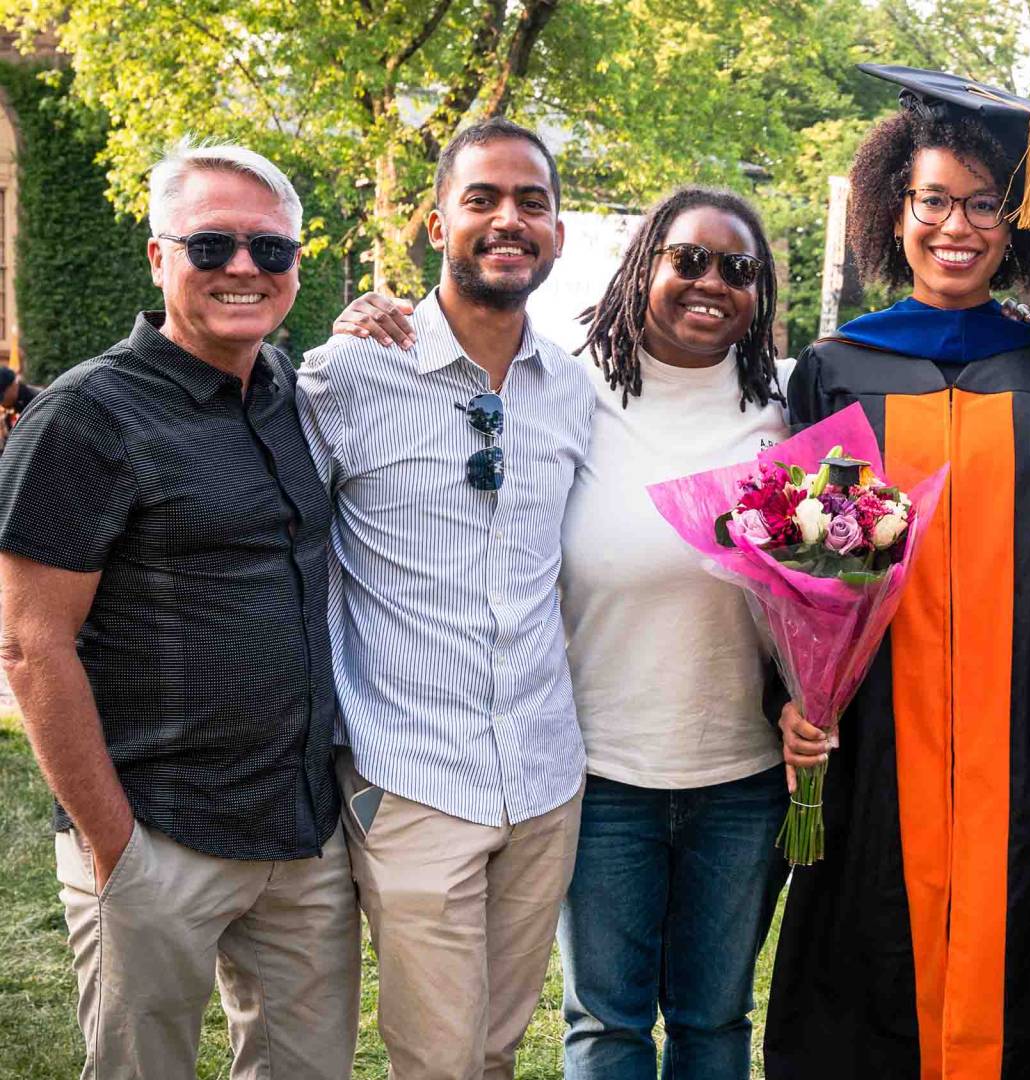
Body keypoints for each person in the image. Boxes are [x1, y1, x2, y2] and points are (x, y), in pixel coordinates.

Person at [334, 184, 796, 1079]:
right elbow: (454, 379)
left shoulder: (787, 404)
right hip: (597, 768)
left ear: (761, 289)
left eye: (737, 268)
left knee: (714, 1017)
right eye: (687, 260)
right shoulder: (564, 382)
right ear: (641, 269)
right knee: (607, 1021)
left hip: (743, 773)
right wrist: (373, 321)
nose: (711, 283)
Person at [768, 64, 1030, 1080]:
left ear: (1017, 221)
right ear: (897, 209)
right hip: (876, 730)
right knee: (865, 943)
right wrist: (801, 700)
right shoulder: (837, 370)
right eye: (934, 201)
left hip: (1020, 739)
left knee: (1012, 952)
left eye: (982, 204)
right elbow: (803, 564)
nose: (956, 226)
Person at [0, 143, 357, 1078]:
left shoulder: (290, 390)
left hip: (300, 831)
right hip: (156, 832)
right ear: (159, 258)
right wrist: (116, 847)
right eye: (211, 244)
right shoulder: (85, 417)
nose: (243, 267)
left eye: (270, 251)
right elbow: (31, 647)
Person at [297, 118, 595, 1079]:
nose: (509, 220)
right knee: (438, 1058)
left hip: (546, 775)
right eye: (482, 200)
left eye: (532, 203)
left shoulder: (573, 390)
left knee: (499, 1049)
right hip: (413, 776)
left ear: (557, 232)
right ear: (436, 224)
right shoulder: (345, 376)